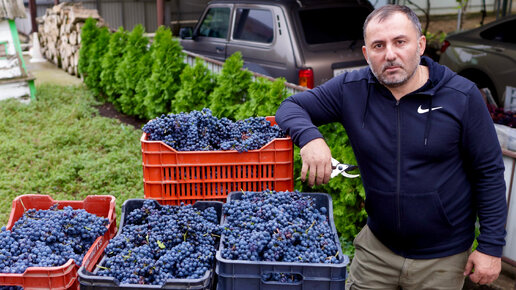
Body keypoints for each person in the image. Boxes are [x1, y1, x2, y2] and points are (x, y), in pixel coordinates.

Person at [275, 4, 507, 290]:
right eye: (378, 45)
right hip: (377, 251)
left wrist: (491, 247)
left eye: (400, 42)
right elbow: (290, 106)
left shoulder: (461, 96)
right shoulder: (352, 88)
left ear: (420, 45)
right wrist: (310, 138)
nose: (390, 54)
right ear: (366, 54)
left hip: (442, 260)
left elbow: (490, 173)